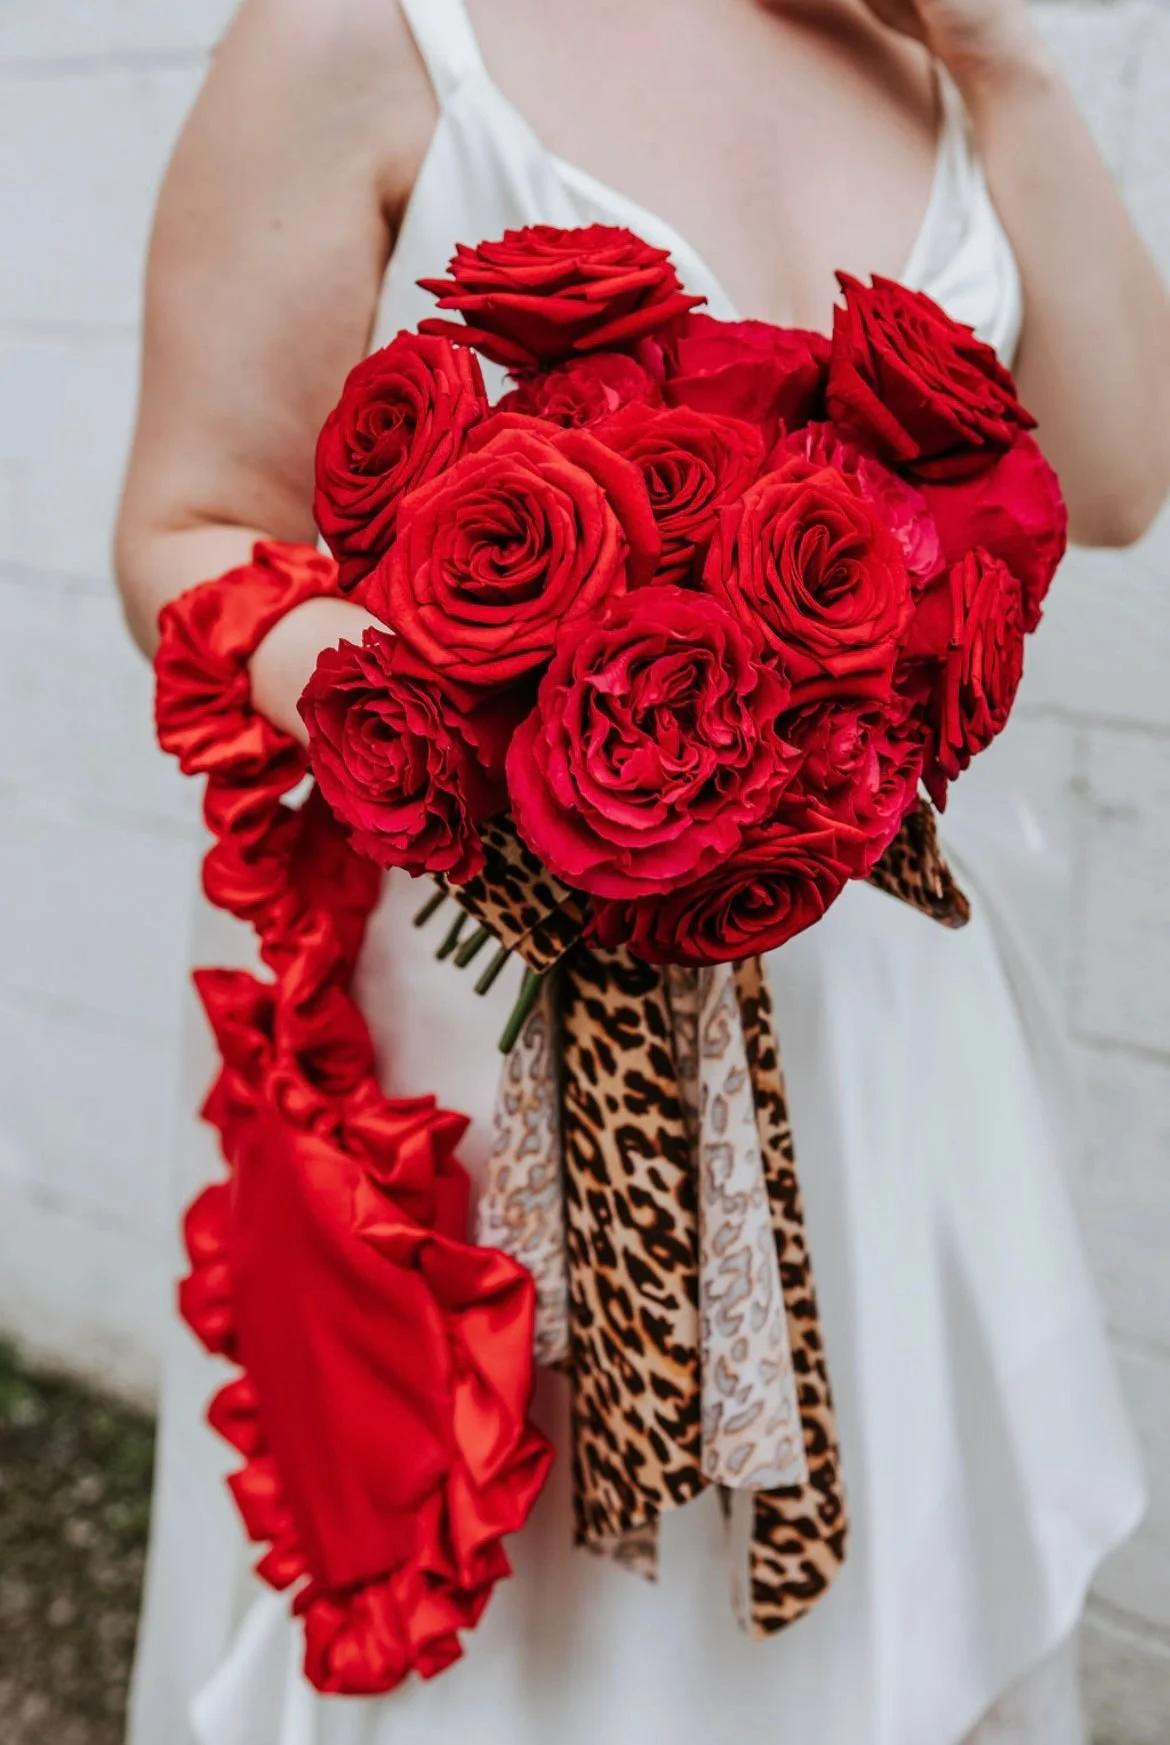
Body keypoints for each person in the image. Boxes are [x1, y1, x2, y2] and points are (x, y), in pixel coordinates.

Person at [114, 1, 1170, 1741]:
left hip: (870, 1016)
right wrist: (532, 714)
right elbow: (186, 525)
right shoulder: (362, 36)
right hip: (512, 1003)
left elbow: (1119, 482)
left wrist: (1004, 61)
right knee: (575, 1649)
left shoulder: (925, 49)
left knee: (897, 1590)